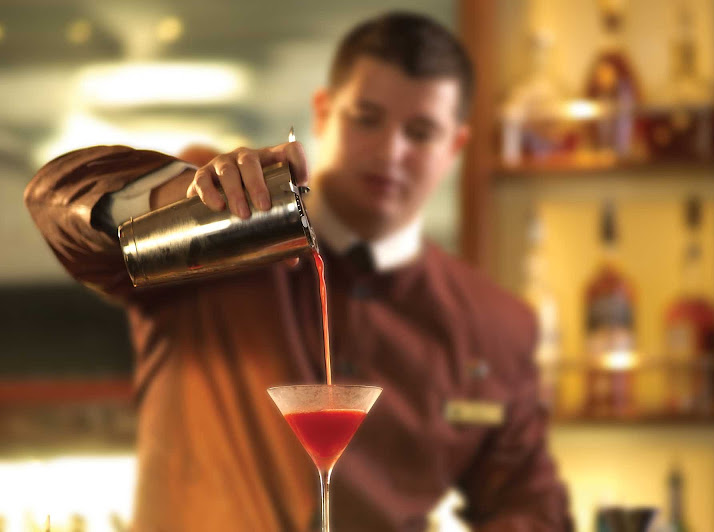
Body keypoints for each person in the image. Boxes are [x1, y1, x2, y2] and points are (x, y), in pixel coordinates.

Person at [25, 12, 572, 532]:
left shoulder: (496, 323)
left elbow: (530, 505)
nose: (390, 151)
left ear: (455, 147)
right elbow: (56, 200)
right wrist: (189, 198)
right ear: (323, 112)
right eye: (367, 119)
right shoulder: (219, 224)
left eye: (421, 131)